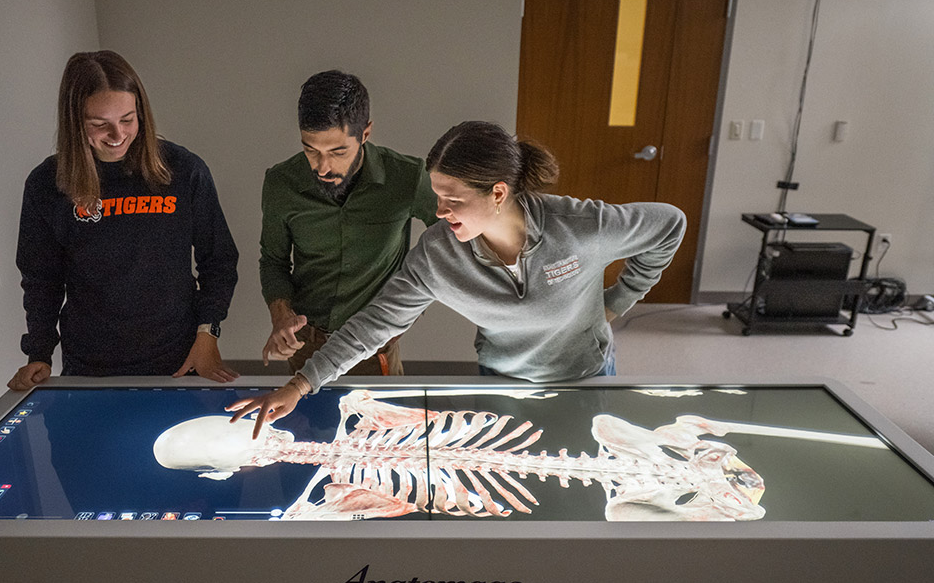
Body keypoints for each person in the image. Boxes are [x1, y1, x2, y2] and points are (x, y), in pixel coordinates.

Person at [231, 121, 686, 438]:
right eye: (437, 197)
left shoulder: (580, 227)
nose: (440, 211)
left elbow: (669, 224)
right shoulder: (439, 253)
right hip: (500, 379)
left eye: (452, 200)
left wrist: (617, 301)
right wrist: (301, 384)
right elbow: (375, 325)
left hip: (584, 375)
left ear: (498, 194)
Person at [7, 50, 239, 583]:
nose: (117, 137)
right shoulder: (49, 184)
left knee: (188, 496)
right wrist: (38, 351)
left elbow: (219, 259)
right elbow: (41, 276)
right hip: (91, 366)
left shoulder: (181, 171)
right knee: (91, 498)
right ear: (73, 122)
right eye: (100, 125)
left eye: (128, 120)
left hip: (177, 360)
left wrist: (207, 330)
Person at [259, 69, 437, 375]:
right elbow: (273, 260)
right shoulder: (281, 183)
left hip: (374, 347)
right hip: (307, 345)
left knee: (381, 424)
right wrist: (281, 317)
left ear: (365, 134)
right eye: (310, 150)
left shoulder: (406, 177)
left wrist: (409, 310)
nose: (322, 166)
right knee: (305, 423)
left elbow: (452, 241)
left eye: (338, 151)